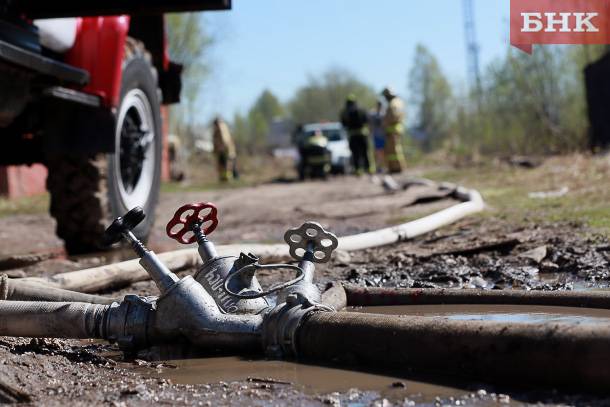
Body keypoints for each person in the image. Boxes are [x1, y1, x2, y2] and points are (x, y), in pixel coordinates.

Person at [340, 95, 372, 175]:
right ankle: (368, 168)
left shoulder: (345, 112)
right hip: (363, 134)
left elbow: (343, 124)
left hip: (353, 135)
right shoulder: (362, 110)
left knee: (355, 153)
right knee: (365, 152)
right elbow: (367, 120)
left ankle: (358, 170)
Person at [382, 87, 406, 173]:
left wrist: (385, 122)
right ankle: (394, 167)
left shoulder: (393, 104)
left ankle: (396, 168)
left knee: (394, 150)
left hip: (393, 129)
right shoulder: (399, 102)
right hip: (396, 128)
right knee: (394, 150)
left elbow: (392, 117)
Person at [212, 116, 236, 182]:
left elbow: (224, 139)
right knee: (222, 164)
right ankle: (223, 178)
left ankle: (227, 178)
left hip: (225, 149)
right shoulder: (221, 128)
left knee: (226, 164)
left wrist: (221, 148)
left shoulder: (221, 127)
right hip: (223, 149)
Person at [370, 100, 386, 173]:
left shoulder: (383, 114)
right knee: (377, 152)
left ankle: (382, 166)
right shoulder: (373, 114)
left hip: (382, 136)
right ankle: (378, 167)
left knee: (382, 152)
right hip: (376, 136)